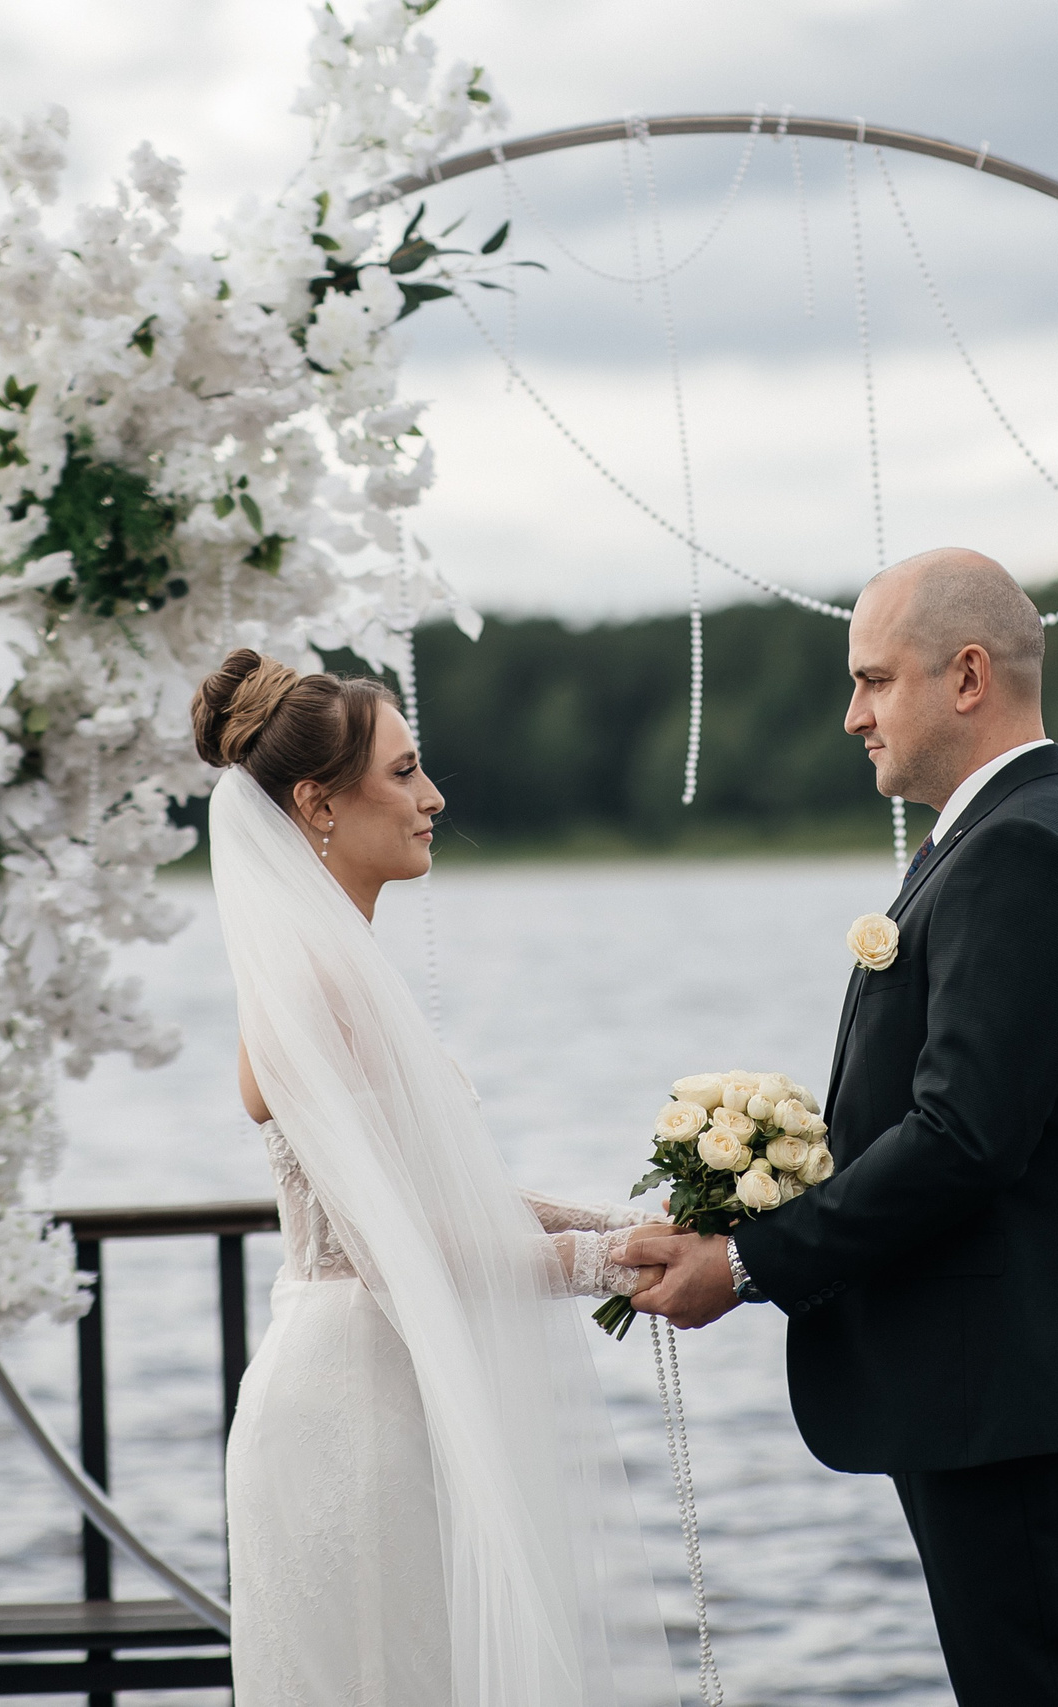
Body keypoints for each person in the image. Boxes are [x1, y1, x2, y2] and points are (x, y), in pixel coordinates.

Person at [632, 548, 1058, 1707]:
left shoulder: (1022, 848)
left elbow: (964, 1136)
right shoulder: (1017, 832)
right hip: (1013, 1394)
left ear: (966, 676)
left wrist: (748, 1261)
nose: (852, 715)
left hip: (1018, 1401)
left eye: (873, 679)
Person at [193, 649, 681, 1707]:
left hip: (384, 1378)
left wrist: (632, 1226)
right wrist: (605, 1262)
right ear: (319, 804)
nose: (434, 799)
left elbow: (441, 1197)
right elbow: (392, 1246)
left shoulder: (335, 965)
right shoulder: (315, 978)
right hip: (350, 1403)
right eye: (405, 772)